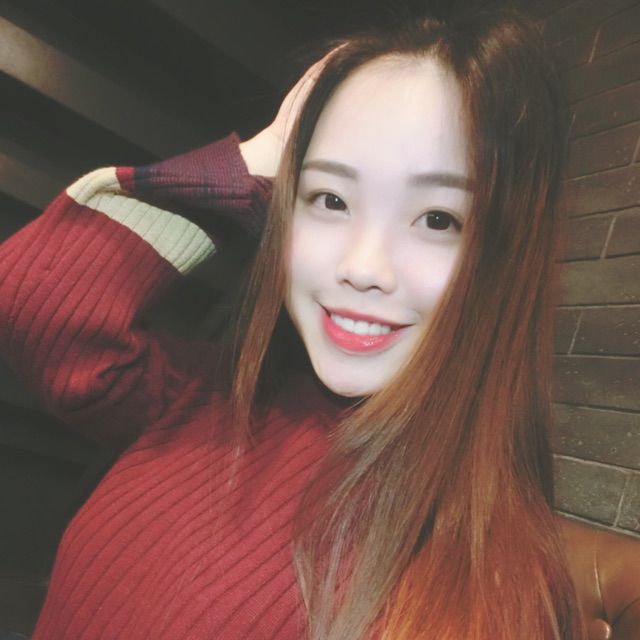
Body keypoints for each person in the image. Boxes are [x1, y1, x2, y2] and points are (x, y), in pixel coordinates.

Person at [0, 6, 586, 640]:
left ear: (505, 255)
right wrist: (265, 154)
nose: (362, 268)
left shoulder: (507, 585)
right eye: (329, 199)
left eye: (438, 219)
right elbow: (37, 302)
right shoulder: (209, 397)